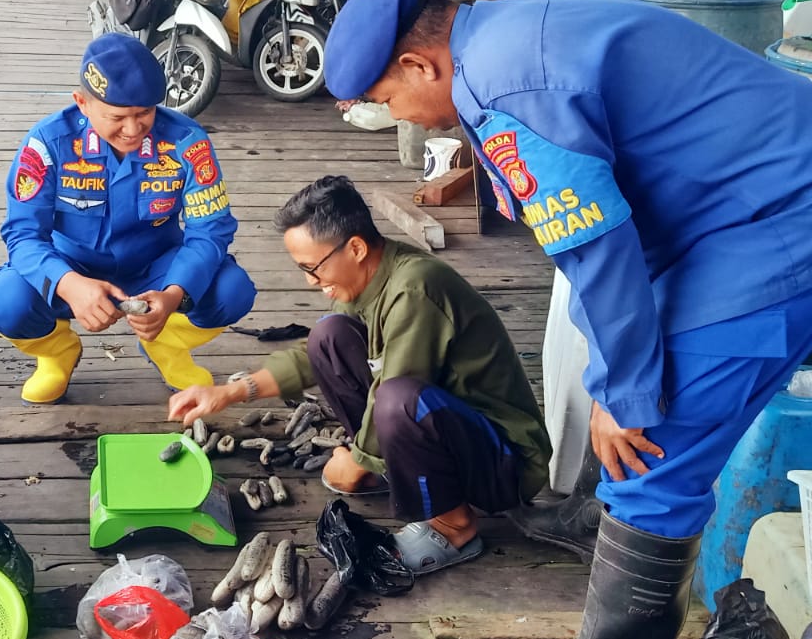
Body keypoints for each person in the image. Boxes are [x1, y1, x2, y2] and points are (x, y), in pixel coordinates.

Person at [321, 0, 812, 639]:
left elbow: (595, 249)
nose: (405, 116)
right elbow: (595, 243)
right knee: (629, 375)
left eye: (391, 101)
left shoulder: (503, 88)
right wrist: (613, 372)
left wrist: (624, 393)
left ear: (418, 64)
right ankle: (607, 518)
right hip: (721, 207)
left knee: (654, 432)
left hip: (782, 216)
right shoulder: (498, 41)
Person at [169, 176, 551, 573]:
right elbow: (311, 357)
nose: (310, 282)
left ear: (355, 247)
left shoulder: (415, 288)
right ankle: (389, 471)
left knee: (397, 399)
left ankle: (454, 526)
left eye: (313, 268)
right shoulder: (374, 276)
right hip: (450, 431)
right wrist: (230, 392)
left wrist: (358, 459)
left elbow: (397, 389)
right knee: (327, 336)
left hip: (505, 462)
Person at [0, 32, 255, 403]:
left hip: (158, 269)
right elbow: (23, 235)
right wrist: (68, 284)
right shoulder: (47, 144)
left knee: (233, 290)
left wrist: (174, 294)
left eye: (144, 113)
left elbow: (210, 231)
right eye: (117, 117)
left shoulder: (187, 142)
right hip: (71, 265)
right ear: (82, 103)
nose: (132, 129)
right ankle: (56, 353)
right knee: (6, 301)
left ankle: (165, 345)